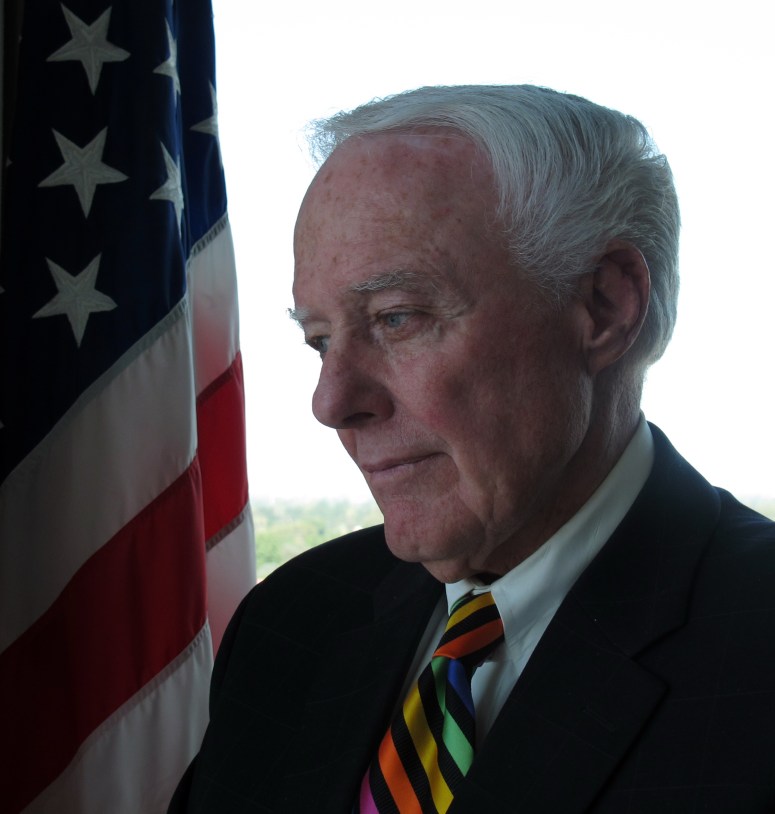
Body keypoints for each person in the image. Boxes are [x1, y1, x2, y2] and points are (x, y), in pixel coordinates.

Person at [168, 85, 775, 813]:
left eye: (396, 318)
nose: (330, 403)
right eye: (320, 340)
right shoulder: (293, 621)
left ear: (605, 307)